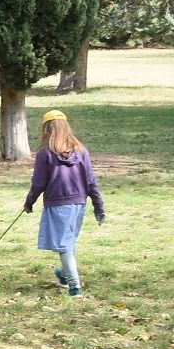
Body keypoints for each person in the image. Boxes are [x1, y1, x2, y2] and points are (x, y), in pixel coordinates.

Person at [23, 109, 105, 298]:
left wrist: (29, 202)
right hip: (79, 203)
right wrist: (98, 205)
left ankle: (75, 287)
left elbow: (39, 182)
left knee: (64, 245)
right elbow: (91, 180)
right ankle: (64, 274)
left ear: (46, 128)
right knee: (69, 241)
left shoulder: (45, 153)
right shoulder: (81, 150)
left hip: (58, 204)